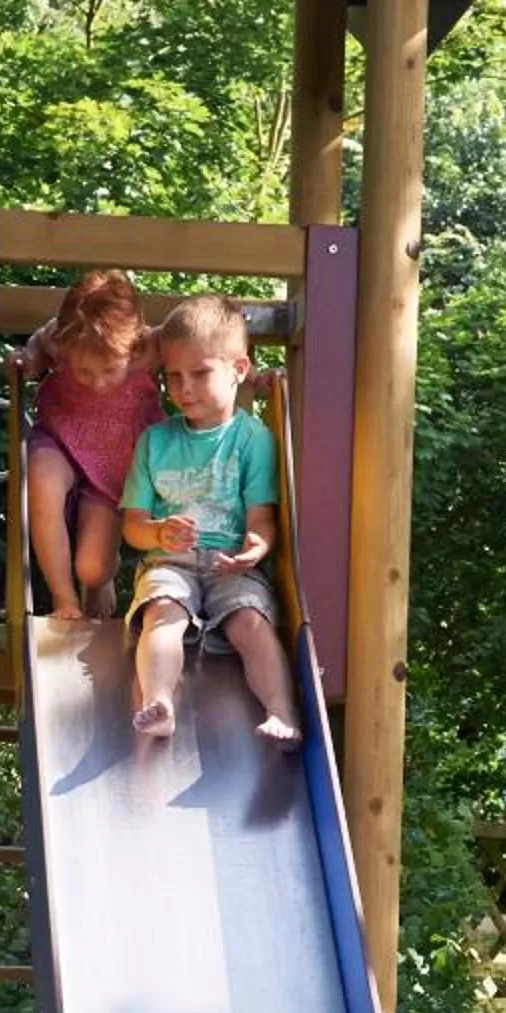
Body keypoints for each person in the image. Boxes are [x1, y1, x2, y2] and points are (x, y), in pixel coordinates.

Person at [119, 294, 300, 745]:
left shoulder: (253, 440)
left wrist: (254, 549)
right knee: (164, 614)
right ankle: (158, 703)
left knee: (250, 623)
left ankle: (281, 711)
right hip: (170, 563)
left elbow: (261, 517)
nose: (184, 389)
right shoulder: (154, 441)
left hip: (229, 563)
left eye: (200, 373)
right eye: (173, 377)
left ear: (239, 369)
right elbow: (133, 524)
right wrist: (159, 532)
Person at [22, 269, 163, 623]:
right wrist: (31, 358)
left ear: (132, 349)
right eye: (83, 371)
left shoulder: (150, 347)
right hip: (61, 437)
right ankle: (64, 600)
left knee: (91, 568)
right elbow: (40, 341)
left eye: (109, 370)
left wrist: (249, 375)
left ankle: (101, 577)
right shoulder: (61, 337)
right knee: (42, 477)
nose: (96, 382)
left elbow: (202, 344)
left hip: (114, 460)